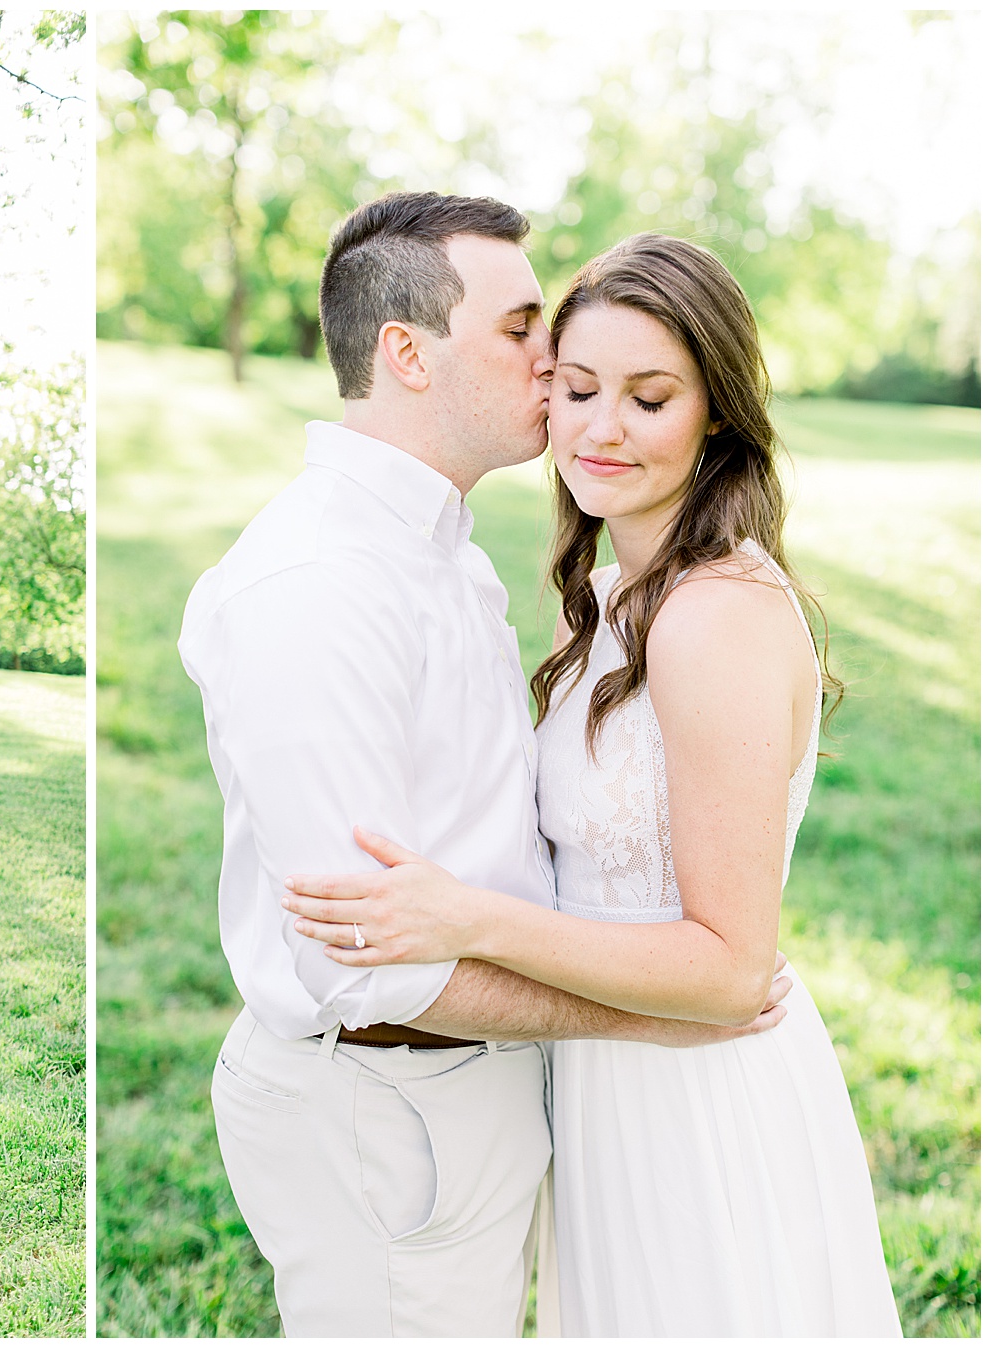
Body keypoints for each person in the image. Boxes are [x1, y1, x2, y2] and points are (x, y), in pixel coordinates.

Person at [178, 193, 789, 1337]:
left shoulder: (447, 555)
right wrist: (654, 1022)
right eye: (520, 329)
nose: (551, 362)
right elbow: (366, 968)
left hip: (506, 1091)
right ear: (408, 353)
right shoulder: (319, 584)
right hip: (390, 1102)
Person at [281, 233, 901, 1335]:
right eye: (577, 388)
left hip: (700, 1096)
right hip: (610, 1077)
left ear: (717, 415)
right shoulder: (614, 596)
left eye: (649, 398)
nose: (602, 429)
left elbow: (730, 968)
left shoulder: (715, 616)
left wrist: (467, 919)